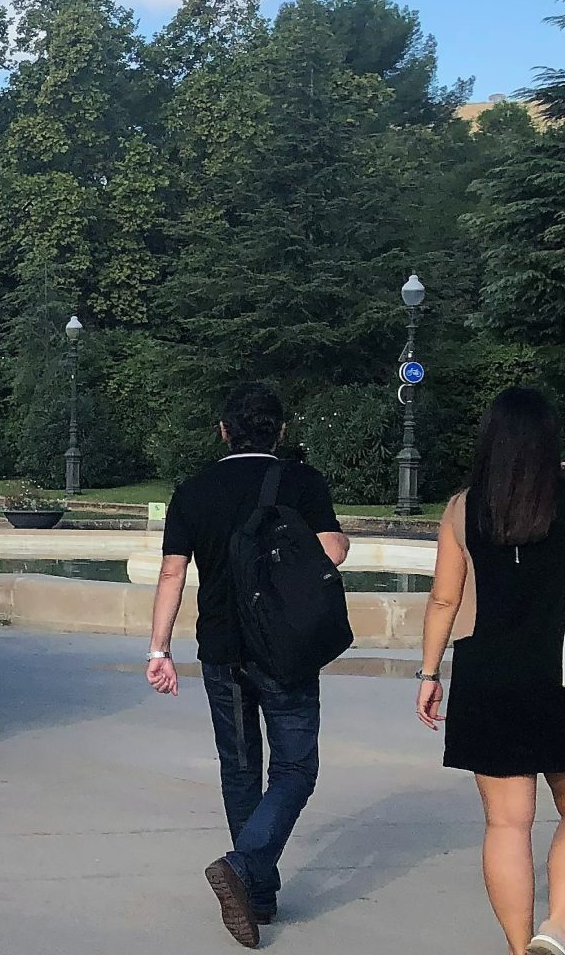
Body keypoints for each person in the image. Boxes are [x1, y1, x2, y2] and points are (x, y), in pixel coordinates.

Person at [416, 388, 565, 955]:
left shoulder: (463, 508)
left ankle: (521, 949)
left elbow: (444, 599)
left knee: (507, 825)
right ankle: (557, 930)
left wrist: (428, 673)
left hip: (486, 675)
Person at [145, 382, 350, 947]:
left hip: (221, 650)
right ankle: (244, 869)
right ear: (280, 431)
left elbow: (171, 573)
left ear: (223, 431)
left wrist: (159, 650)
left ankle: (256, 891)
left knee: (239, 769)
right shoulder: (301, 482)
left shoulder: (193, 491)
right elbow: (332, 550)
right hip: (285, 646)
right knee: (296, 768)